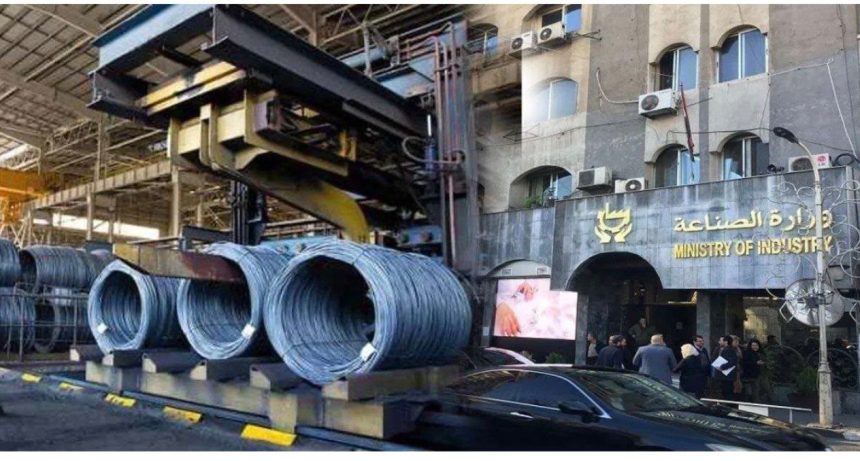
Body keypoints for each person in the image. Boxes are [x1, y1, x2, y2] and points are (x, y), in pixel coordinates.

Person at [714, 335, 739, 400]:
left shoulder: (728, 349)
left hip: (727, 375)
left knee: (727, 392)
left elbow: (731, 362)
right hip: (727, 375)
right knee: (727, 391)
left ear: (726, 342)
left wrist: (722, 367)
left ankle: (729, 404)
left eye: (723, 341)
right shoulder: (730, 349)